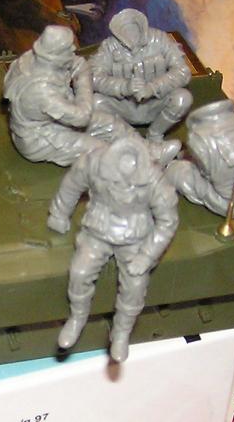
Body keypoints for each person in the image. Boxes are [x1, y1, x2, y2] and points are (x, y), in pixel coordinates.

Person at [47, 135, 178, 361]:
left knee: (135, 285)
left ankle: (121, 332)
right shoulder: (93, 163)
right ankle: (77, 317)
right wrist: (59, 213)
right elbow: (72, 184)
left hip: (135, 237)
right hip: (97, 229)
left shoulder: (154, 180)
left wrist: (147, 256)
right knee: (79, 272)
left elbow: (168, 220)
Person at [4, 25, 130, 166]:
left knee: (113, 124)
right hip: (40, 137)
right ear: (56, 56)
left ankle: (145, 151)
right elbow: (82, 117)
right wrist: (83, 79)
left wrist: (78, 69)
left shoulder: (34, 58)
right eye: (68, 48)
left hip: (59, 118)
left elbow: (76, 63)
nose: (73, 49)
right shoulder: (40, 90)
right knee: (102, 153)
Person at [90, 8, 192, 142]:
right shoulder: (109, 47)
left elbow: (182, 71)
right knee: (95, 102)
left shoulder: (160, 39)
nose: (131, 35)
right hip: (124, 105)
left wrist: (153, 88)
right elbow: (94, 77)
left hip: (155, 103)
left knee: (183, 98)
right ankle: (128, 136)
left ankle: (155, 134)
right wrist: (123, 87)